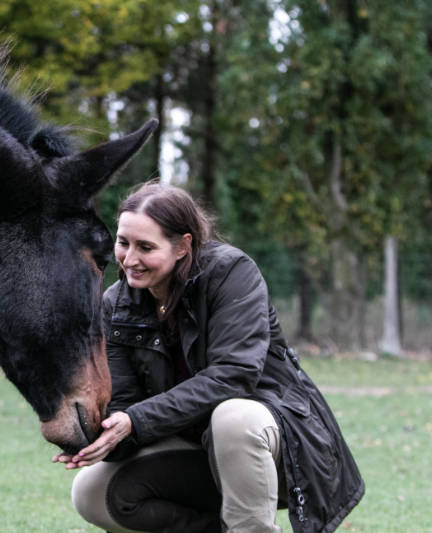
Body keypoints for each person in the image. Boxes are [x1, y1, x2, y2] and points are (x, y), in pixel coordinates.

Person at [53, 182, 364, 533]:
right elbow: (127, 406)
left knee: (232, 417)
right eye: (123, 243)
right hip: (193, 447)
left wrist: (134, 421)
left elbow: (235, 375)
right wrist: (90, 438)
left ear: (183, 246)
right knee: (92, 493)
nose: (130, 259)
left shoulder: (231, 274)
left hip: (274, 446)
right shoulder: (116, 303)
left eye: (146, 247)